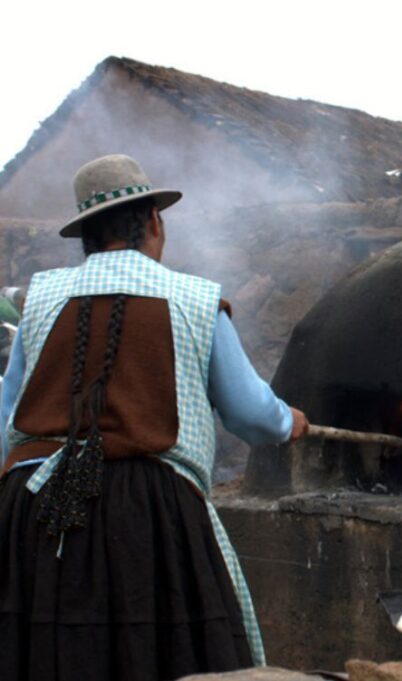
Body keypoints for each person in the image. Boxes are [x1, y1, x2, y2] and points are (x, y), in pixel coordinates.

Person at [0, 154, 309, 680]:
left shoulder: (40, 299)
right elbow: (250, 414)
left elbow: (8, 414)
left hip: (31, 507)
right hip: (144, 513)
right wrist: (289, 422)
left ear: (86, 237)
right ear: (154, 222)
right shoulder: (195, 298)